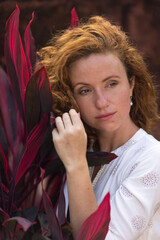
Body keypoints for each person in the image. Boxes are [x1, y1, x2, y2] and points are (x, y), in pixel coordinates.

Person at [38, 16, 160, 239]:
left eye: (111, 84)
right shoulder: (78, 151)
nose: (102, 102)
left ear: (131, 85)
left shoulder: (153, 160)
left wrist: (76, 165)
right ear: (71, 98)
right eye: (85, 90)